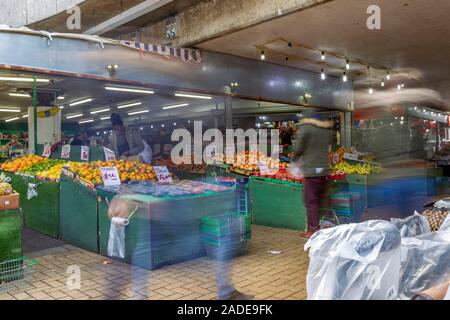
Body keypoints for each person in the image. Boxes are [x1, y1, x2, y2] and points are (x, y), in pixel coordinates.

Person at [291, 110, 333, 239]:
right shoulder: (326, 130)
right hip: (324, 169)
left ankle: (313, 230)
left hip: (312, 169)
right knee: (321, 199)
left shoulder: (306, 128)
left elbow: (299, 148)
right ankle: (323, 225)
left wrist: (294, 160)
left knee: (311, 200)